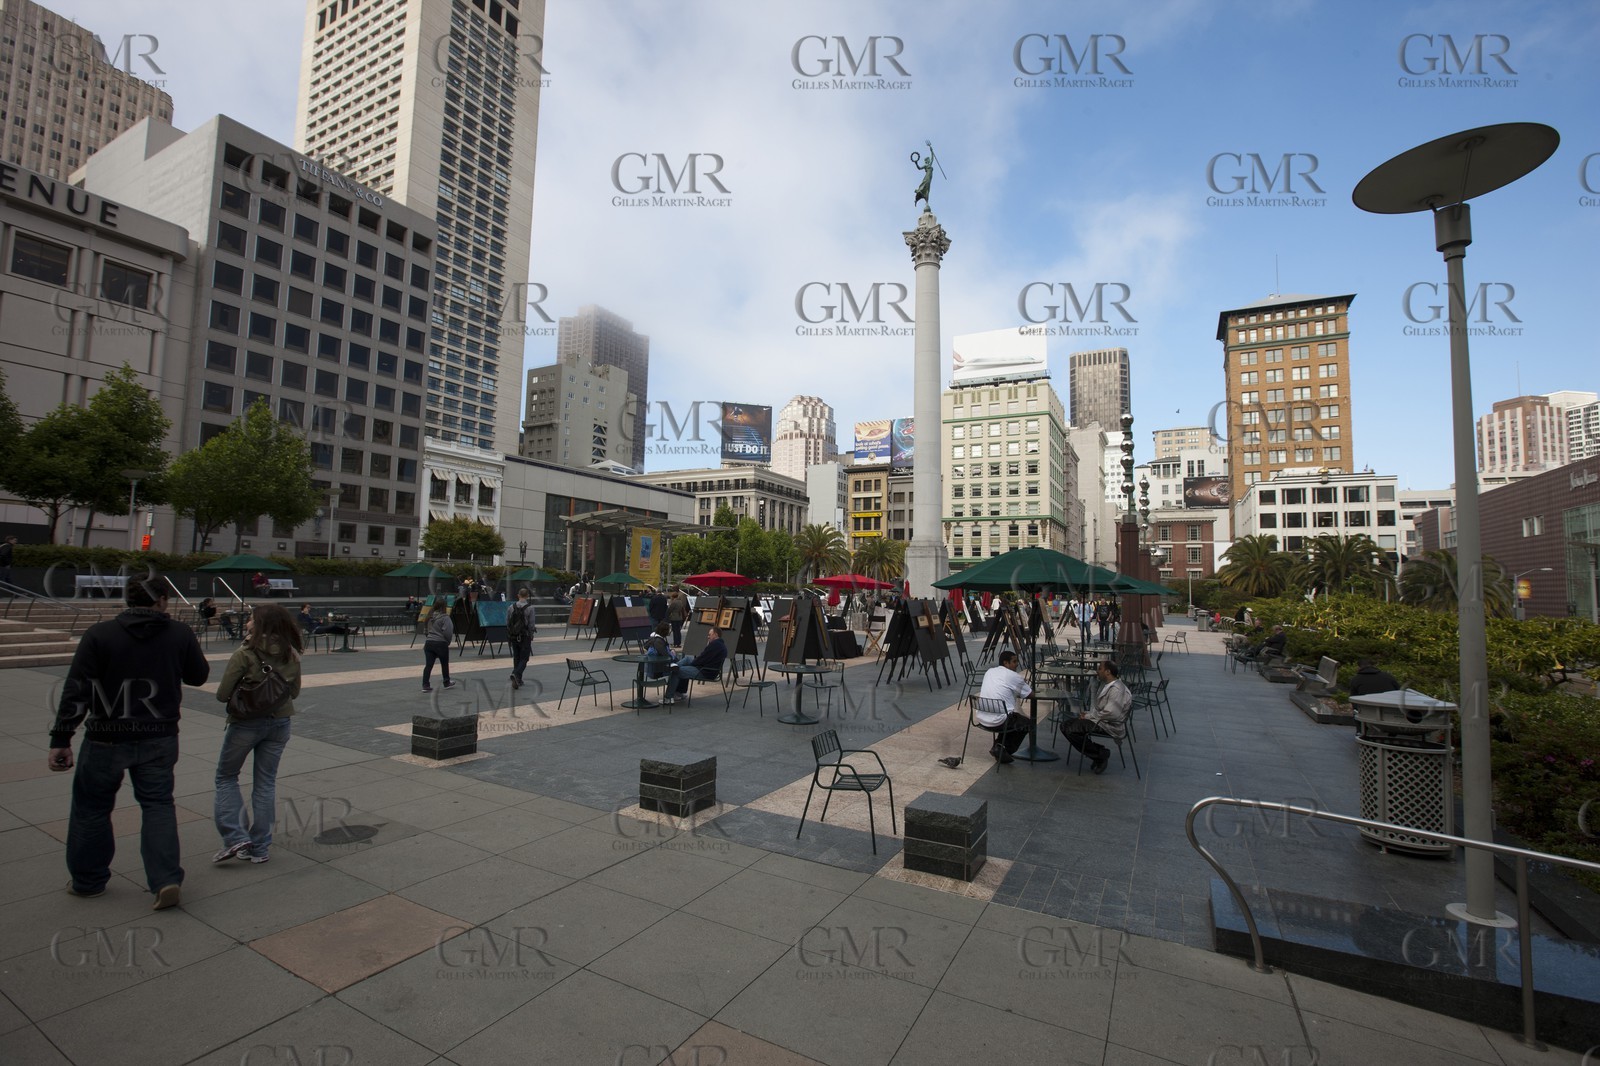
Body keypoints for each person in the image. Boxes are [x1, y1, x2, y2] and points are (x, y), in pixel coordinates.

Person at [49, 575, 209, 908]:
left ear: (128, 599)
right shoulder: (179, 634)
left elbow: (76, 689)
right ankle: (165, 879)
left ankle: (88, 881)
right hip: (160, 735)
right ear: (162, 600)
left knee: (91, 808)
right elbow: (198, 675)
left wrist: (62, 737)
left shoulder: (100, 635)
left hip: (106, 736)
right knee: (158, 805)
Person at [212, 603, 302, 865]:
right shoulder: (291, 653)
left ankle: (236, 836)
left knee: (226, 777)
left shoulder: (245, 653)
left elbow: (221, 694)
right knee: (265, 782)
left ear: (260, 623)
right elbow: (294, 692)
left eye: (251, 618)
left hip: (246, 723)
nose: (248, 621)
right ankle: (260, 847)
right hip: (280, 722)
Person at [1060, 659, 1132, 774]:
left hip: (1109, 725)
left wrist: (1089, 716)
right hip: (1101, 721)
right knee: (1065, 725)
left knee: (1071, 730)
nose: (1097, 671)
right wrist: (1088, 714)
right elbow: (1101, 708)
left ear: (1108, 672)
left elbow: (1111, 713)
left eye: (1100, 669)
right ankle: (1098, 753)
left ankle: (1100, 755)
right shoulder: (1106, 685)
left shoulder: (1117, 689)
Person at [975, 649, 1033, 763]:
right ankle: (1003, 749)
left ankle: (999, 745)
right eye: (1014, 662)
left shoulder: (990, 671)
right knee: (1027, 723)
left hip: (982, 718)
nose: (1017, 664)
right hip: (1000, 721)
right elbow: (1030, 695)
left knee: (1012, 717)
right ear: (1005, 663)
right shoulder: (1013, 676)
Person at [664, 625, 728, 703]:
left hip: (705, 672)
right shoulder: (720, 645)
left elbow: (702, 659)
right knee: (687, 660)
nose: (708, 637)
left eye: (709, 635)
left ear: (715, 635)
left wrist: (693, 664)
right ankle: (679, 691)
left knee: (677, 671)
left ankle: (668, 698)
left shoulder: (714, 645)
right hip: (707, 669)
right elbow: (704, 658)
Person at [507, 587, 537, 689]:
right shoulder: (530, 608)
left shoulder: (511, 607)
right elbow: (531, 625)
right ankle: (516, 674)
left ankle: (518, 680)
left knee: (516, 657)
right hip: (525, 636)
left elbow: (508, 622)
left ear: (518, 595)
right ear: (527, 596)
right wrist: (531, 635)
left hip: (513, 635)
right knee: (524, 658)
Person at [421, 606, 457, 692]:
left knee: (428, 665)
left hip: (429, 642)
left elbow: (426, 630)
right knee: (444, 663)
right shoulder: (445, 617)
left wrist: (429, 637)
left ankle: (425, 685)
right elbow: (448, 631)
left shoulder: (430, 617)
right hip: (440, 642)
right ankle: (446, 682)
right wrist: (447, 642)